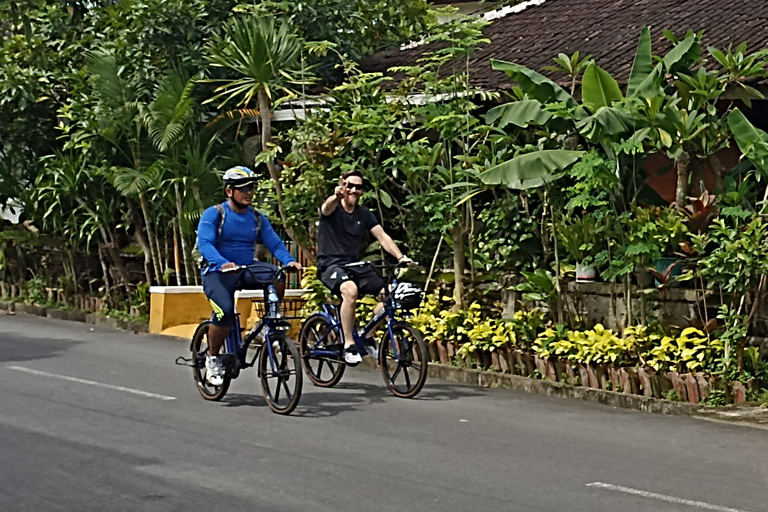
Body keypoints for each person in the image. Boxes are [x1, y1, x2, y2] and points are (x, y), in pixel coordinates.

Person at [197, 165, 301, 385]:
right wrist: (223, 263)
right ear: (229, 191)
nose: (249, 193)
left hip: (245, 269)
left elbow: (274, 242)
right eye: (243, 188)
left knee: (277, 275)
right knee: (224, 312)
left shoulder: (256, 218)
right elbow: (205, 244)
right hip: (216, 272)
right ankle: (213, 358)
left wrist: (289, 261)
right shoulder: (215, 214)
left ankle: (269, 325)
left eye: (251, 188)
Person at [317, 169, 412, 365]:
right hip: (330, 265)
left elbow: (382, 236)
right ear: (342, 185)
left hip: (355, 265)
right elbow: (326, 208)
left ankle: (368, 335)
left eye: (357, 187)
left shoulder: (364, 214)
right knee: (350, 291)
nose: (353, 190)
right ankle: (349, 344)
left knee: (391, 293)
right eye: (349, 185)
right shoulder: (333, 208)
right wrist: (336, 196)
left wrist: (401, 257)